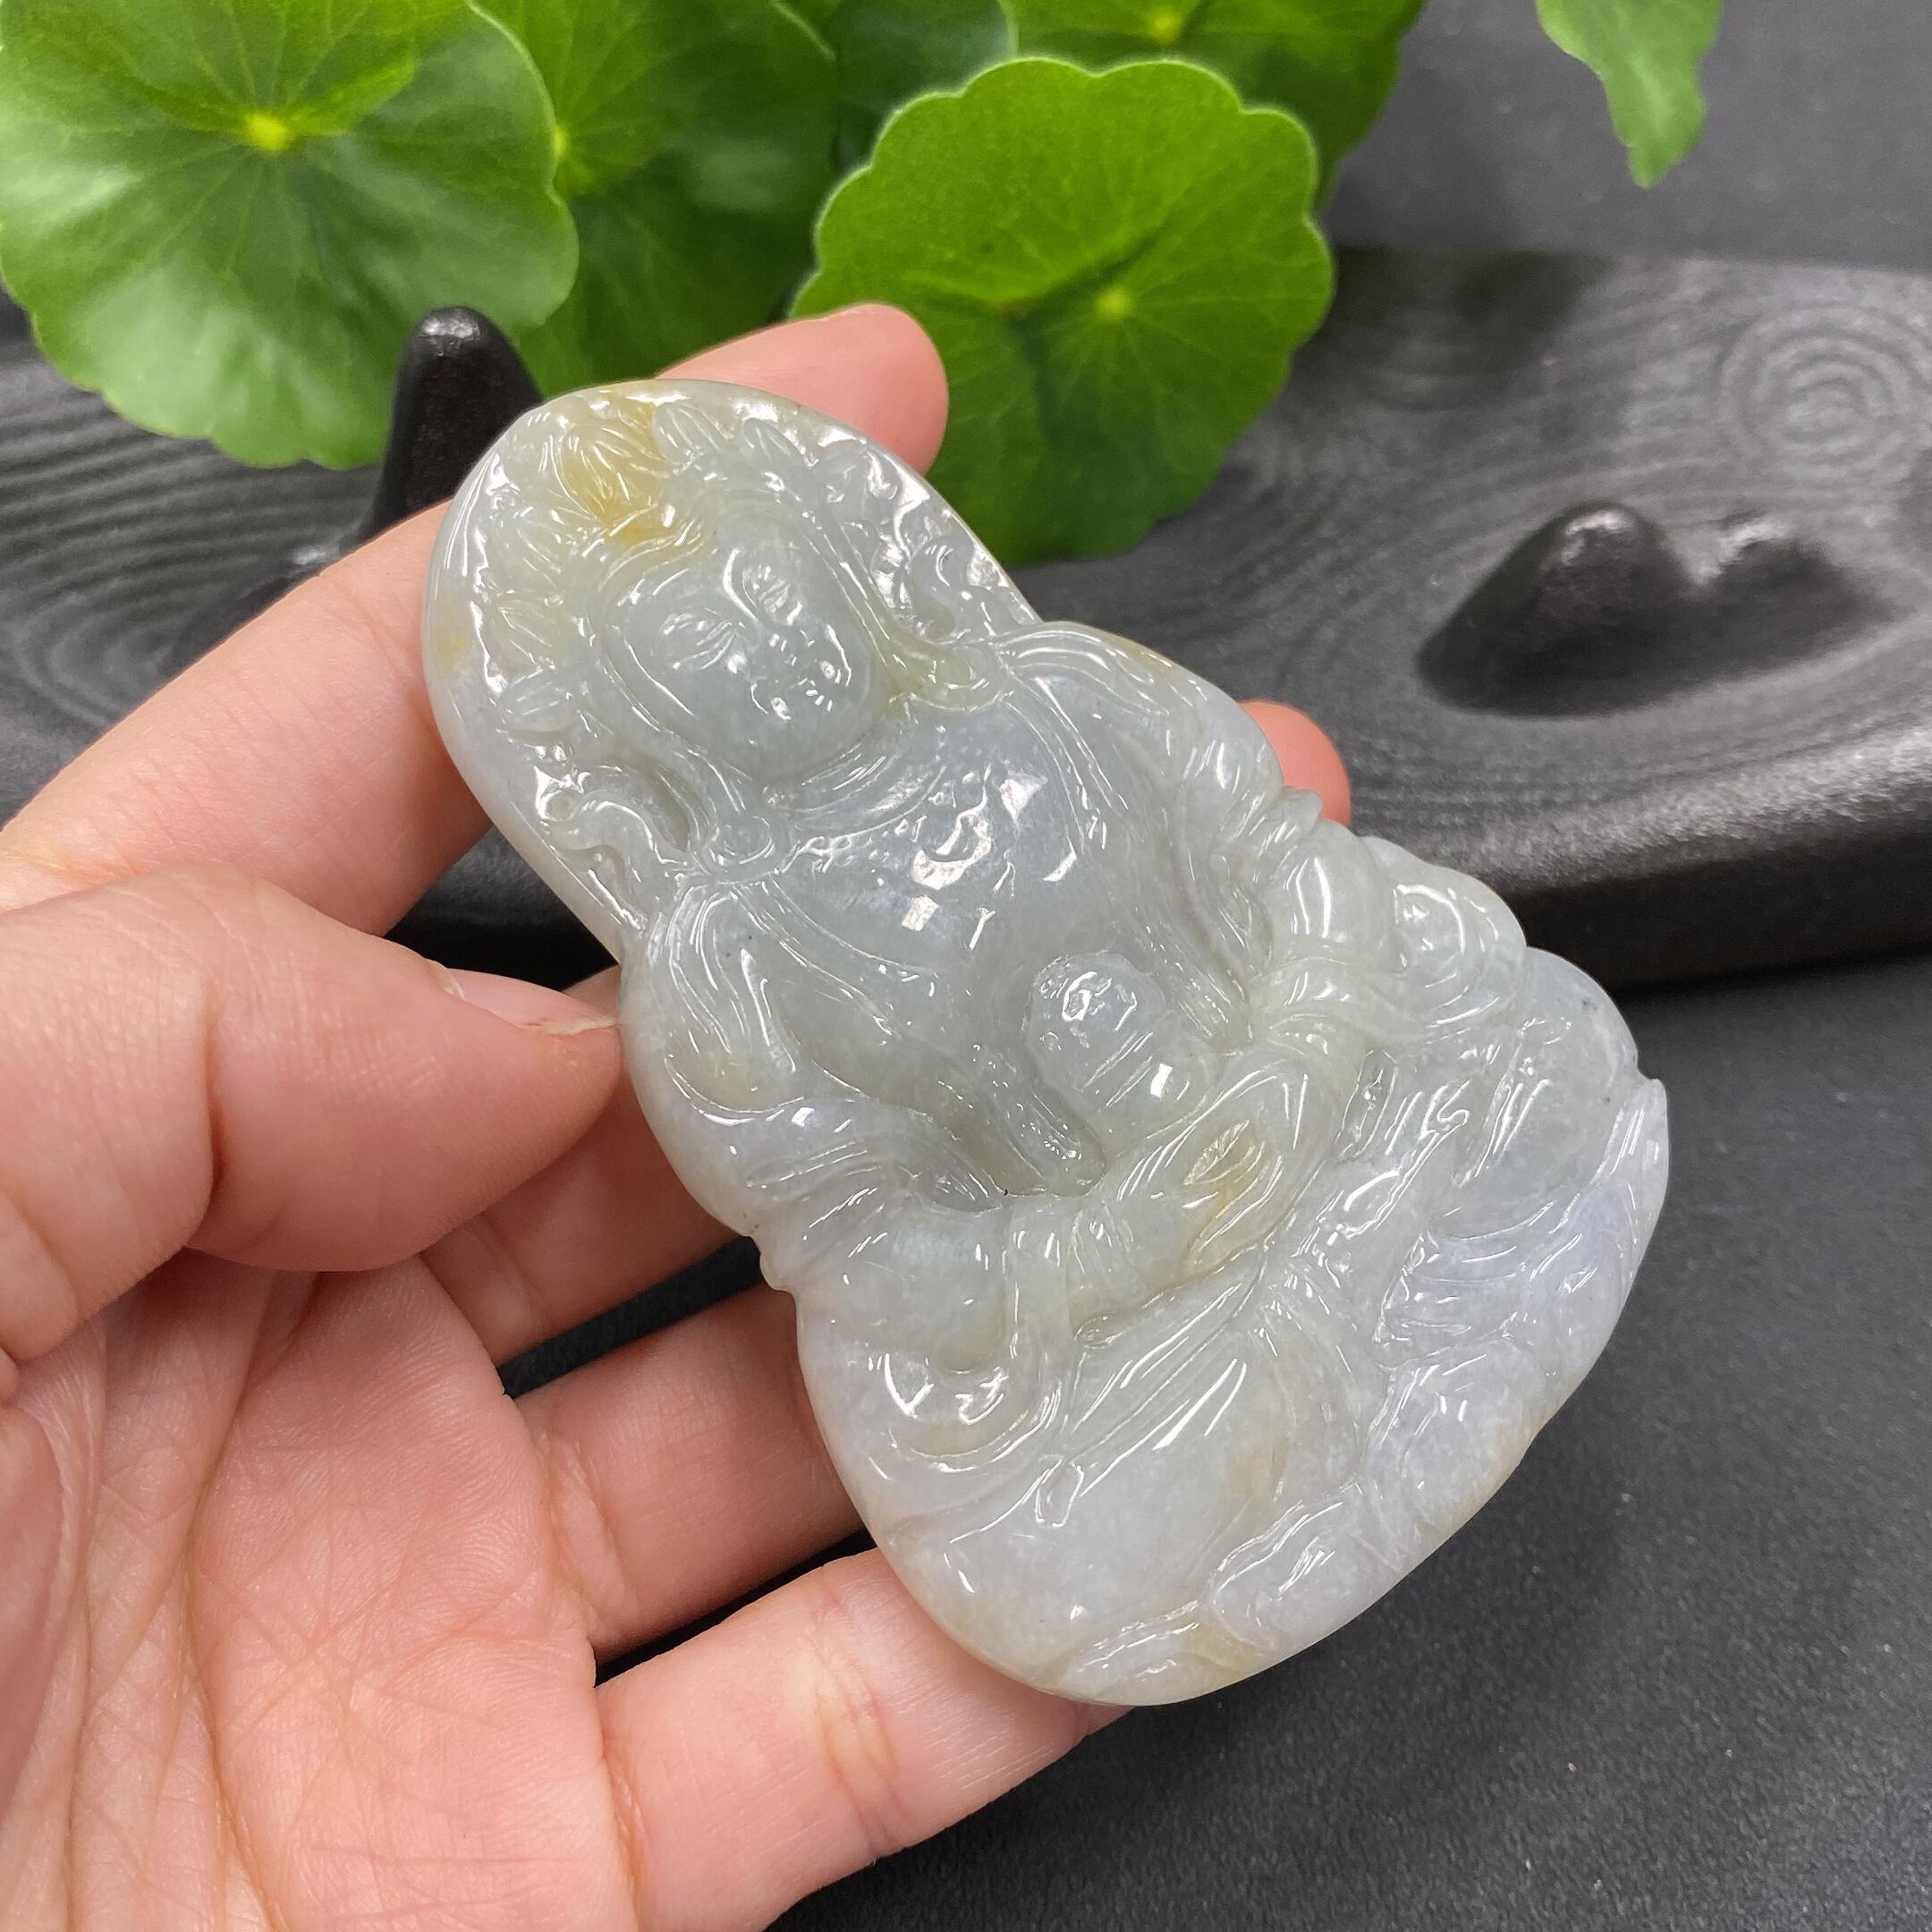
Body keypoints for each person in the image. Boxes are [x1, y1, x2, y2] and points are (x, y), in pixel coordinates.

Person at [0, 307, 1349, 1929]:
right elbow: (864, 1251)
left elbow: (1293, 886)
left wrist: (1308, 1045)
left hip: (1309, 1120)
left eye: (774, 594)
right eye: (697, 645)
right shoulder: (729, 950)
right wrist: (1098, 1250)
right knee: (1040, 1497)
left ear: (844, 581)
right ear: (648, 727)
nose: (765, 649)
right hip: (1084, 1322)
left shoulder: (1054, 702)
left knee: (1514, 1060)